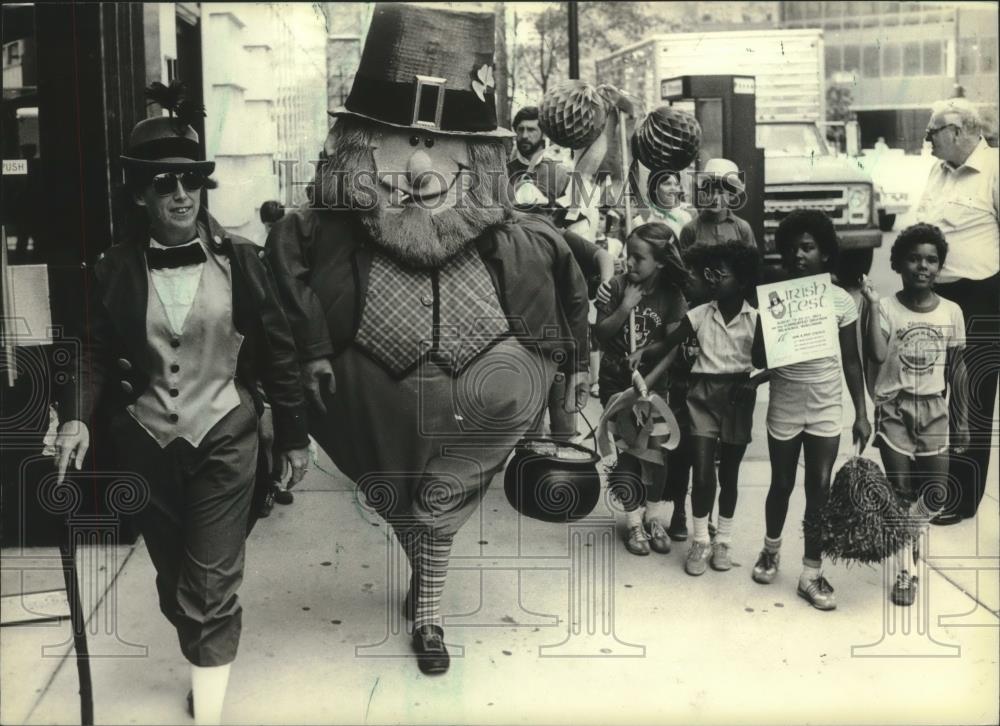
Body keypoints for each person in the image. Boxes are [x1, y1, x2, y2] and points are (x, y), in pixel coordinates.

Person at [266, 4, 590, 676]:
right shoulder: (320, 230)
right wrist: (316, 352)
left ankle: (430, 610)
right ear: (359, 143)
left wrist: (559, 369)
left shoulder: (515, 239)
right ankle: (424, 566)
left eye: (439, 146)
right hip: (368, 403)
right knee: (399, 499)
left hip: (478, 408)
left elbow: (566, 278)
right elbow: (282, 283)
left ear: (479, 158)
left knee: (439, 502)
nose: (418, 169)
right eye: (398, 141)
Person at [53, 89, 311, 724]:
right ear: (140, 194)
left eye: (191, 183)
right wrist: (78, 416)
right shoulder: (113, 268)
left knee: (209, 583)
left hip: (226, 434)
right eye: (163, 184)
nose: (180, 196)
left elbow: (279, 352)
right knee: (176, 583)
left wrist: (296, 436)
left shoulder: (243, 261)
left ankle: (211, 708)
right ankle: (205, 661)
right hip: (145, 443)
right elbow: (90, 348)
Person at [748, 210, 872, 611]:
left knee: (818, 489)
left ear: (826, 252)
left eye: (808, 247)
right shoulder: (776, 296)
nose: (799, 255)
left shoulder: (841, 300)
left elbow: (852, 362)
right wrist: (770, 329)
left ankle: (811, 573)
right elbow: (758, 355)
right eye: (792, 249)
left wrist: (862, 412)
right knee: (781, 484)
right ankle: (770, 550)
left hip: (824, 405)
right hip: (785, 402)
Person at [860, 223, 969, 606]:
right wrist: (872, 306)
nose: (922, 266)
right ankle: (908, 571)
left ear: (939, 267)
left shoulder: (952, 312)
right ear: (899, 263)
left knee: (935, 495)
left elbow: (958, 367)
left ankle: (905, 540)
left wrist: (963, 417)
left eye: (931, 260)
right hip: (895, 408)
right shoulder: (887, 307)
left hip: (935, 409)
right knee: (901, 491)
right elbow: (874, 354)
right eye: (914, 258)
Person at [644, 240, 761, 575]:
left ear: (741, 281)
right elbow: (668, 343)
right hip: (701, 395)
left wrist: (755, 381)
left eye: (719, 275)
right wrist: (644, 354)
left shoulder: (756, 319)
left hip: (738, 395)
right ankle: (700, 540)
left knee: (730, 474)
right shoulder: (698, 314)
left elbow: (769, 362)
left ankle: (723, 540)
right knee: (703, 469)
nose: (711, 280)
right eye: (708, 274)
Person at [914, 97, 999, 524]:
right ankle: (931, 487)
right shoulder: (937, 171)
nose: (926, 139)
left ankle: (961, 501)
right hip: (936, 298)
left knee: (972, 401)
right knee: (931, 393)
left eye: (933, 131)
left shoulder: (994, 170)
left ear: (961, 131)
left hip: (980, 295)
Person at [594, 222, 689, 555]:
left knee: (656, 455)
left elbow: (674, 345)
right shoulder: (619, 288)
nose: (629, 263)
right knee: (628, 455)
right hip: (616, 385)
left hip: (654, 388)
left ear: (660, 262)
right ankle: (633, 521)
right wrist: (624, 307)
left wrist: (649, 382)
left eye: (638, 258)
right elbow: (600, 336)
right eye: (627, 256)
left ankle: (653, 516)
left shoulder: (671, 295)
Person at [678, 158, 757, 252]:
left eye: (721, 192)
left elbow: (751, 263)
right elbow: (684, 265)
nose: (715, 198)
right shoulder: (690, 230)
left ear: (731, 195)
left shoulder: (742, 228)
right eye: (710, 192)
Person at [508, 105, 546, 191]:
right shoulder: (505, 171)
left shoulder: (559, 173)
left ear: (544, 134)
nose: (524, 136)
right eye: (521, 129)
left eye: (531, 130)